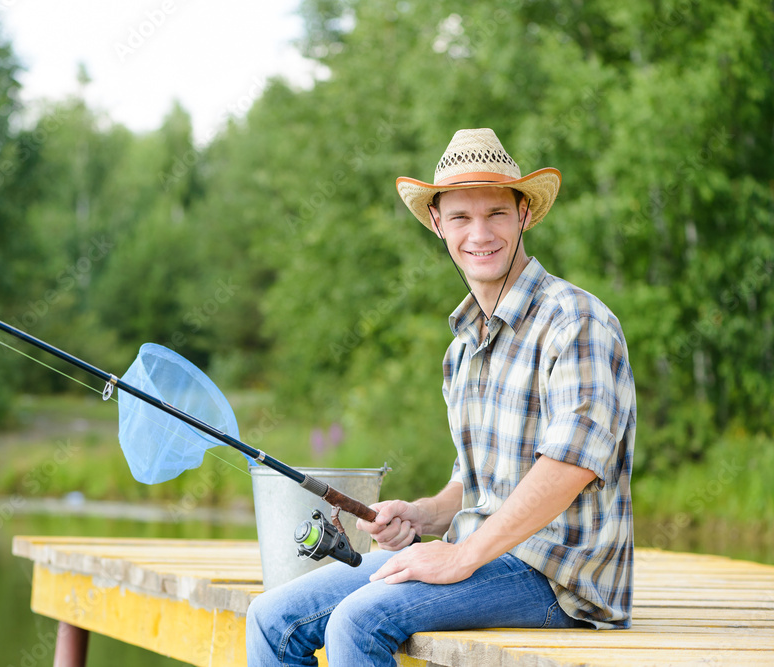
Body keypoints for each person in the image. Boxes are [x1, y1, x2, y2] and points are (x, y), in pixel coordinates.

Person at [246, 128, 636, 666]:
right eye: (460, 217)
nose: (480, 233)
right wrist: (422, 516)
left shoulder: (577, 321)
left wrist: (462, 556)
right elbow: (473, 480)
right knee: (270, 620)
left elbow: (569, 468)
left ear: (523, 213)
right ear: (437, 224)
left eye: (496, 213)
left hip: (560, 578)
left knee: (360, 622)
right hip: (483, 558)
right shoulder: (462, 347)